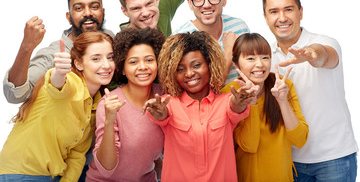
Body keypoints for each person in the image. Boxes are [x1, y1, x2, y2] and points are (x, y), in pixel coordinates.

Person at [261, 0, 358, 181]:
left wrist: (313, 54)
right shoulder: (266, 57)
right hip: (290, 160)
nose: (282, 18)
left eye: (288, 9)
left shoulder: (326, 42)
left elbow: (325, 56)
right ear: (265, 17)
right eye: (274, 11)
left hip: (334, 158)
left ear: (300, 12)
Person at [0, 31, 115, 181]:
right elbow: (57, 86)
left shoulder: (97, 104)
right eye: (96, 58)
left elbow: (77, 156)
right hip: (20, 173)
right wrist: (59, 72)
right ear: (78, 63)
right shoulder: (71, 82)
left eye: (110, 57)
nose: (106, 65)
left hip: (52, 176)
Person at [142, 31, 252, 182]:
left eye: (196, 65)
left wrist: (240, 102)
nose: (189, 73)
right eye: (180, 69)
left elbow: (235, 107)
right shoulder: (168, 103)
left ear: (210, 64)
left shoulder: (226, 101)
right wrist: (160, 112)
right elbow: (163, 114)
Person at [3, 0, 115, 105]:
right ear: (69, 17)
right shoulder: (54, 54)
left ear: (103, 12)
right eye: (79, 8)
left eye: (94, 7)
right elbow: (14, 96)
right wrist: (26, 47)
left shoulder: (109, 38)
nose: (88, 13)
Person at [221, 33, 309, 182]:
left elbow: (300, 140)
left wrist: (282, 101)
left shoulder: (282, 85)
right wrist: (252, 102)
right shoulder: (230, 93)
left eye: (265, 57)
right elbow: (249, 146)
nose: (260, 64)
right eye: (250, 58)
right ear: (236, 64)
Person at [86, 27, 166, 182]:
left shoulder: (164, 96)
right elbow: (107, 168)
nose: (142, 67)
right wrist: (109, 120)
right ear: (122, 68)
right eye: (133, 62)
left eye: (149, 60)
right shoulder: (109, 103)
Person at [173, 0, 249, 85]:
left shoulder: (239, 27)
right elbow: (202, 91)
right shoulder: (180, 39)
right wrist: (229, 53)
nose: (207, 5)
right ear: (190, 4)